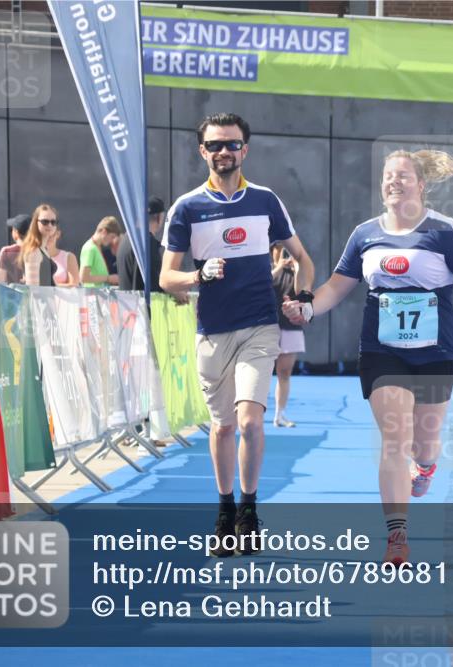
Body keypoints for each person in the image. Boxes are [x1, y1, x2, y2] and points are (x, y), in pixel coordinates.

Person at [282, 149, 453, 566]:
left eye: (402, 175)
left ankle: (428, 467)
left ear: (421, 184)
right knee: (394, 439)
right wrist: (307, 307)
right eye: (387, 176)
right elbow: (336, 287)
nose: (393, 182)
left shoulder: (443, 230)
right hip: (382, 350)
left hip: (436, 350)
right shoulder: (364, 234)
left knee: (424, 444)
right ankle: (397, 537)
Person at [159, 112, 315, 557]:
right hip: (211, 331)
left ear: (244, 149)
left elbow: (305, 259)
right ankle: (225, 510)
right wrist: (197, 275)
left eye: (232, 144)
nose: (223, 152)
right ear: (202, 151)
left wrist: (302, 297)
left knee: (250, 420)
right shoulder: (187, 207)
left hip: (260, 326)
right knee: (224, 427)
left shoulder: (266, 200)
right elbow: (167, 277)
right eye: (215, 145)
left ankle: (248, 511)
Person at [270, 242, 305, 428]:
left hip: (290, 327)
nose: (283, 252)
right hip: (267, 328)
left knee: (284, 373)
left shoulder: (295, 272)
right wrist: (278, 267)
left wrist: (297, 265)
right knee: (259, 372)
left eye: (286, 249)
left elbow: (301, 291)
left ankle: (280, 415)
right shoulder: (266, 269)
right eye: (279, 248)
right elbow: (266, 283)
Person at [117, 196, 165, 292]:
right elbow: (155, 282)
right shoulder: (147, 242)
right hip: (142, 305)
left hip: (126, 304)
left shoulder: (126, 239)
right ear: (159, 218)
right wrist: (176, 293)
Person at [20, 203, 61, 287]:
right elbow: (33, 288)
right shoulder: (34, 251)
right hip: (40, 299)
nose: (49, 225)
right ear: (36, 222)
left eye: (53, 222)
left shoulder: (43, 249)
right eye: (45, 222)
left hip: (48, 298)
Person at [80, 216, 122, 287]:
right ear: (104, 232)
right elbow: (83, 278)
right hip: (93, 296)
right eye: (112, 237)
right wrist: (108, 278)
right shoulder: (90, 248)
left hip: (99, 296)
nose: (112, 241)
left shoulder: (96, 247)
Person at [0, 213, 31, 284]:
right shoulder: (37, 250)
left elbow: (0, 281)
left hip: (11, 293)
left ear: (16, 232)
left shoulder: (6, 251)